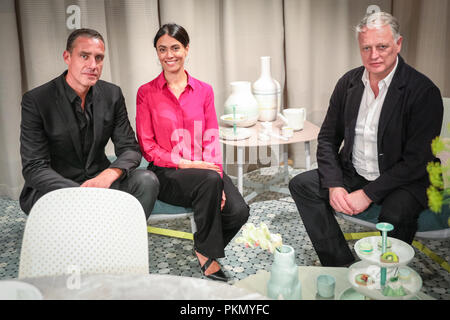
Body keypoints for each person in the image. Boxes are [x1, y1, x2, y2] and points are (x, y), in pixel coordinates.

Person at [289, 12, 444, 267]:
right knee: (301, 185)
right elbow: (327, 138)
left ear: (398, 44)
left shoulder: (423, 91)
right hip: (355, 171)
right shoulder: (348, 83)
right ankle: (341, 265)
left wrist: (368, 194)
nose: (374, 55)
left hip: (405, 180)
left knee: (395, 213)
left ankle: (387, 278)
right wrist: (335, 183)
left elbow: (417, 161)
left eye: (382, 46)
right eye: (366, 48)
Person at [136, 23, 249, 282]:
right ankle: (208, 257)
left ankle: (202, 243)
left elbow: (211, 139)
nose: (169, 55)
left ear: (186, 49)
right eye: (162, 49)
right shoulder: (146, 93)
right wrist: (184, 163)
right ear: (157, 52)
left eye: (175, 48)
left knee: (239, 211)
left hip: (205, 171)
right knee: (208, 179)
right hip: (167, 173)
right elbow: (147, 145)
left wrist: (219, 180)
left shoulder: (204, 90)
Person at [20, 28, 159, 220]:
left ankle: (121, 239)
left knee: (146, 180)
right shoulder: (37, 100)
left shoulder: (113, 94)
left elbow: (130, 149)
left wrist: (108, 174)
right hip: (56, 187)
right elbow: (34, 167)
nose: (93, 65)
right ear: (67, 57)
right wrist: (80, 193)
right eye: (84, 56)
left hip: (99, 180)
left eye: (99, 58)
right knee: (70, 231)